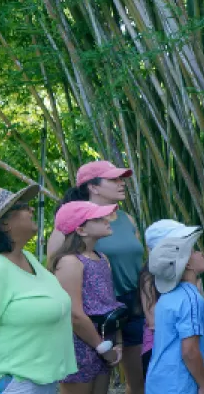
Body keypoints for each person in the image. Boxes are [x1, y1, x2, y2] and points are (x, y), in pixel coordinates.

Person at [0, 183, 75, 393]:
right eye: (23, 206)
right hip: (2, 384)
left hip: (32, 382)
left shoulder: (27, 258)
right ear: (5, 223)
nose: (32, 209)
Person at [48, 161, 148, 394]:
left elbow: (140, 262)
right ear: (93, 187)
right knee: (88, 376)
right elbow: (54, 269)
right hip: (89, 313)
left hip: (129, 306)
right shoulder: (72, 221)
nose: (121, 183)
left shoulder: (126, 219)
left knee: (137, 378)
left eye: (121, 178)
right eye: (113, 179)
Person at [49, 201, 128, 394]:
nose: (107, 220)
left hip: (103, 343)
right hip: (80, 346)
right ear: (81, 230)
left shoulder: (101, 258)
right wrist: (102, 348)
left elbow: (110, 305)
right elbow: (73, 314)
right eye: (99, 219)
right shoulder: (70, 262)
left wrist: (117, 343)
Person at [144, 220, 204, 394]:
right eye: (195, 251)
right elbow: (189, 351)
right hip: (179, 383)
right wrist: (203, 384)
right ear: (186, 263)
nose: (201, 254)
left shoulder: (167, 296)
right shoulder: (191, 299)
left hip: (157, 380)